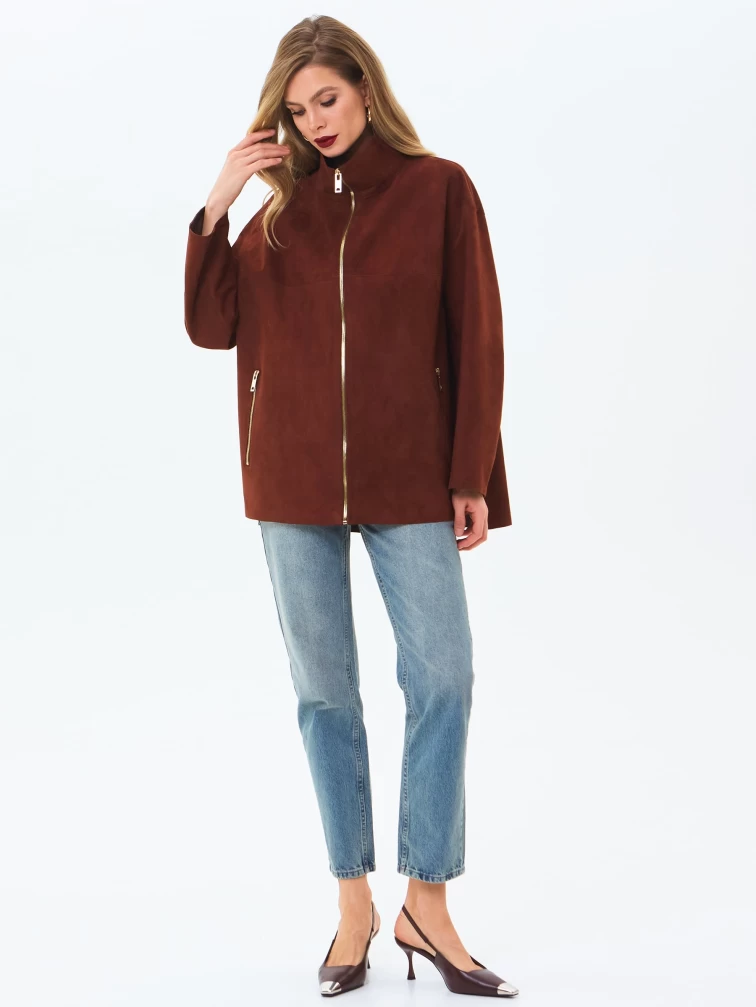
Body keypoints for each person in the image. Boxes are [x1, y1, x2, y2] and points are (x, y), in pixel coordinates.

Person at [183, 13, 517, 1000]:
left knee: (444, 678)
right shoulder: (274, 212)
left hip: (412, 477)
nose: (316, 121)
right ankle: (353, 903)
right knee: (324, 694)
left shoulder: (438, 189)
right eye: (296, 110)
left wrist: (473, 473)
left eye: (327, 98)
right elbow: (209, 326)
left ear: (366, 89)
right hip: (290, 483)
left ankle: (428, 901)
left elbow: (478, 334)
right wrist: (219, 200)